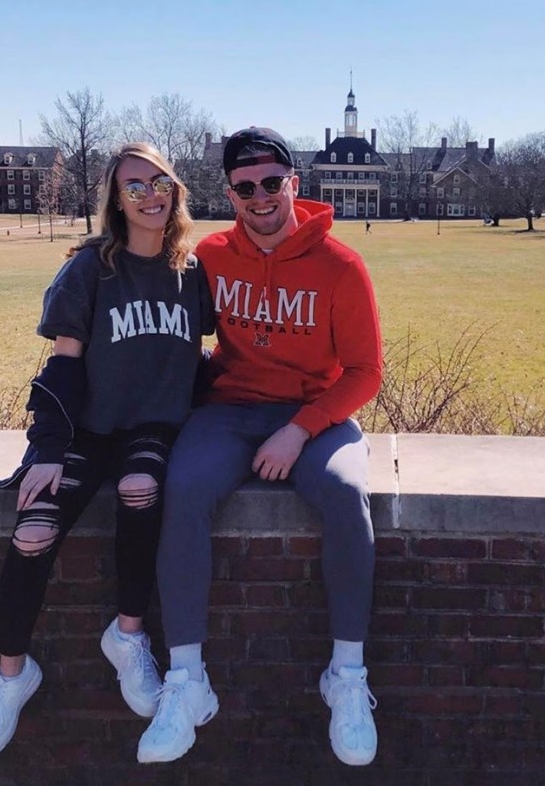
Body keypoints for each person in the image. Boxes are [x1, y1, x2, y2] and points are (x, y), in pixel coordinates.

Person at [137, 127, 383, 767]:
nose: (260, 197)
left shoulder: (341, 266)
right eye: (245, 187)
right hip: (233, 410)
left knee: (349, 496)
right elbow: (148, 287)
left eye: (272, 182)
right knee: (182, 487)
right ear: (231, 194)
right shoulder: (212, 256)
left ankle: (347, 677)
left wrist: (301, 428)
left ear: (293, 186)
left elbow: (365, 372)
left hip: (314, 415)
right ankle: (187, 682)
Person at [0, 143, 215, 761]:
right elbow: (64, 366)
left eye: (160, 181)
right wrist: (47, 449)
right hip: (86, 429)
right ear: (114, 199)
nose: (150, 195)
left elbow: (203, 362)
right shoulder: (89, 269)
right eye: (134, 186)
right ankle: (10, 675)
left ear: (176, 188)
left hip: (151, 428)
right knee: (33, 528)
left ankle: (128, 635)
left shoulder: (191, 272)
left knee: (141, 489)